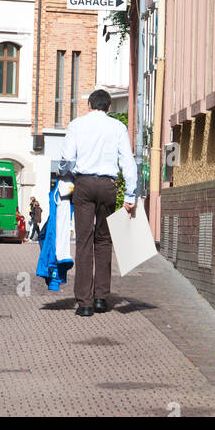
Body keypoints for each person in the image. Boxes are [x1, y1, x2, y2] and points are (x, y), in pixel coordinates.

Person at [59, 89, 137, 317]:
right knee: (103, 240)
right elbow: (128, 163)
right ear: (109, 107)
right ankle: (101, 298)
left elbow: (67, 158)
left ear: (90, 106)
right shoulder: (118, 127)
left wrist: (63, 175)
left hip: (83, 184)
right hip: (107, 186)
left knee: (84, 241)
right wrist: (130, 196)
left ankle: (84, 303)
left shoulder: (76, 125)